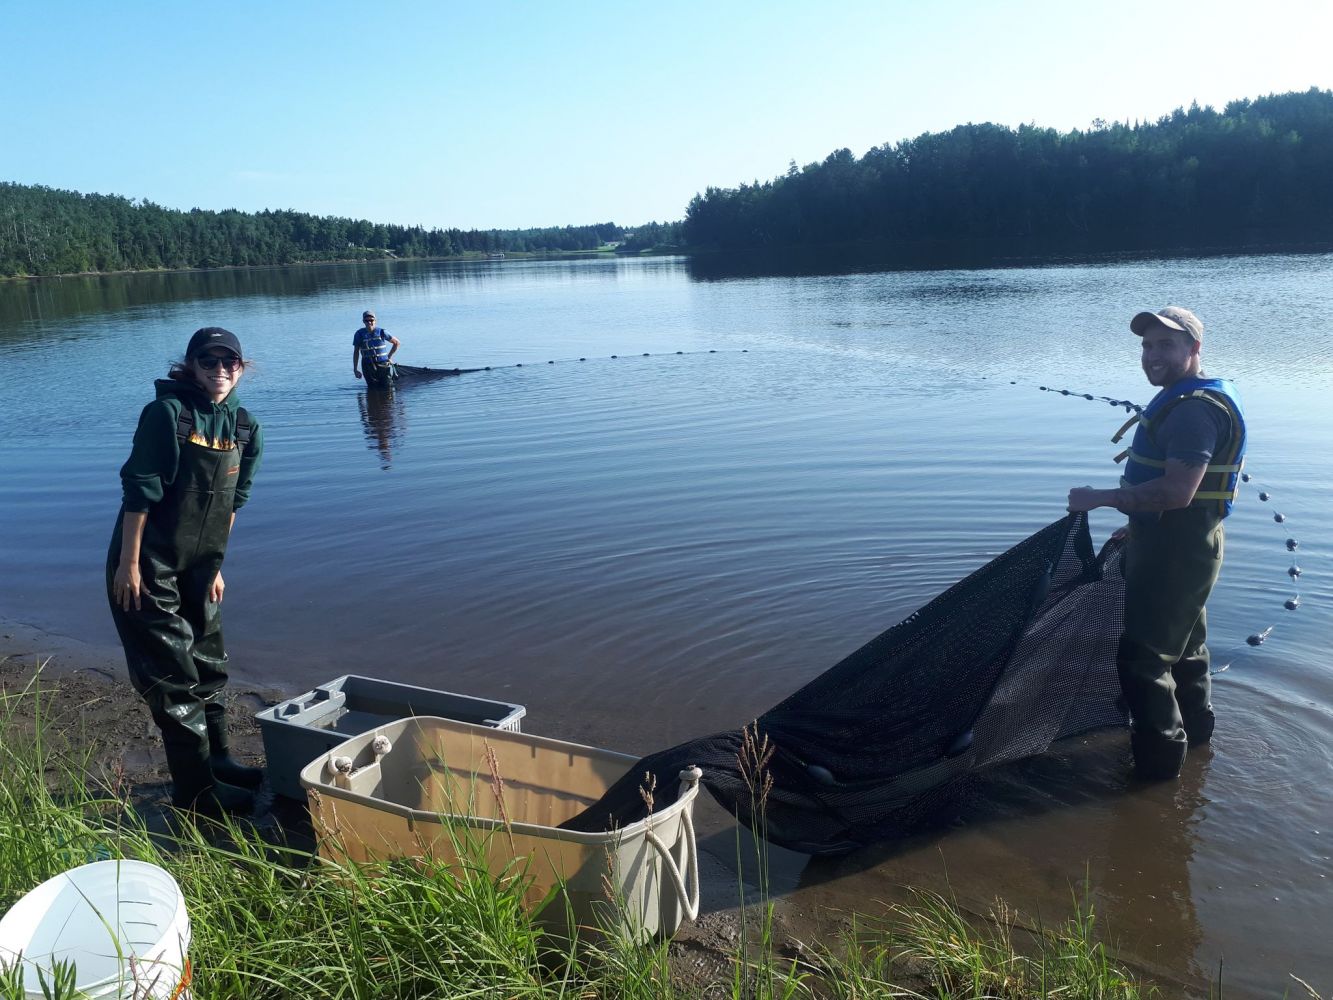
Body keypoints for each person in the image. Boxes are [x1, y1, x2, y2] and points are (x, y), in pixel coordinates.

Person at [1068, 306, 1246, 780]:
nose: (1152, 355)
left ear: (1194, 348)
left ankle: (1155, 779)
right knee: (1186, 651)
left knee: (1144, 661)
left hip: (1178, 553)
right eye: (1147, 345)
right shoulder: (1188, 399)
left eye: (1166, 344)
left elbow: (1177, 492)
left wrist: (1099, 499)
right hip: (1181, 543)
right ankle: (1198, 746)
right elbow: (1180, 497)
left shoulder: (1192, 411)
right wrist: (1138, 524)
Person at [108, 327, 265, 813]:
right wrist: (129, 566)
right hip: (149, 564)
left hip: (200, 567)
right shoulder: (168, 415)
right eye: (208, 361)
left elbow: (233, 503)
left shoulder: (244, 425)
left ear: (241, 367)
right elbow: (140, 493)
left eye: (228, 362)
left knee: (209, 664)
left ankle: (218, 763)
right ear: (191, 365)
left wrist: (214, 565)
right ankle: (196, 794)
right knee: (175, 678)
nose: (219, 371)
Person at [352, 309, 400, 387]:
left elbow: (397, 343)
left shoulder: (382, 332)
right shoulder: (359, 334)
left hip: (383, 364)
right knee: (372, 388)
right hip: (367, 365)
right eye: (366, 321)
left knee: (387, 388)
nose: (369, 322)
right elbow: (356, 352)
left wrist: (389, 357)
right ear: (363, 321)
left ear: (375, 320)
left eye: (371, 320)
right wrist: (355, 369)